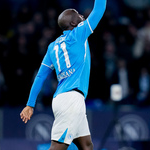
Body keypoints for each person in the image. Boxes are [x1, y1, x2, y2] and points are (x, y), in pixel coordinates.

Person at [20, 0, 107, 149]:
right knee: (58, 146)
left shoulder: (52, 46)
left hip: (63, 98)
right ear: (74, 23)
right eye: (79, 15)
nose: (83, 16)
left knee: (87, 146)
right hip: (71, 100)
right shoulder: (79, 33)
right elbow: (99, 9)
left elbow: (40, 76)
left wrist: (30, 104)